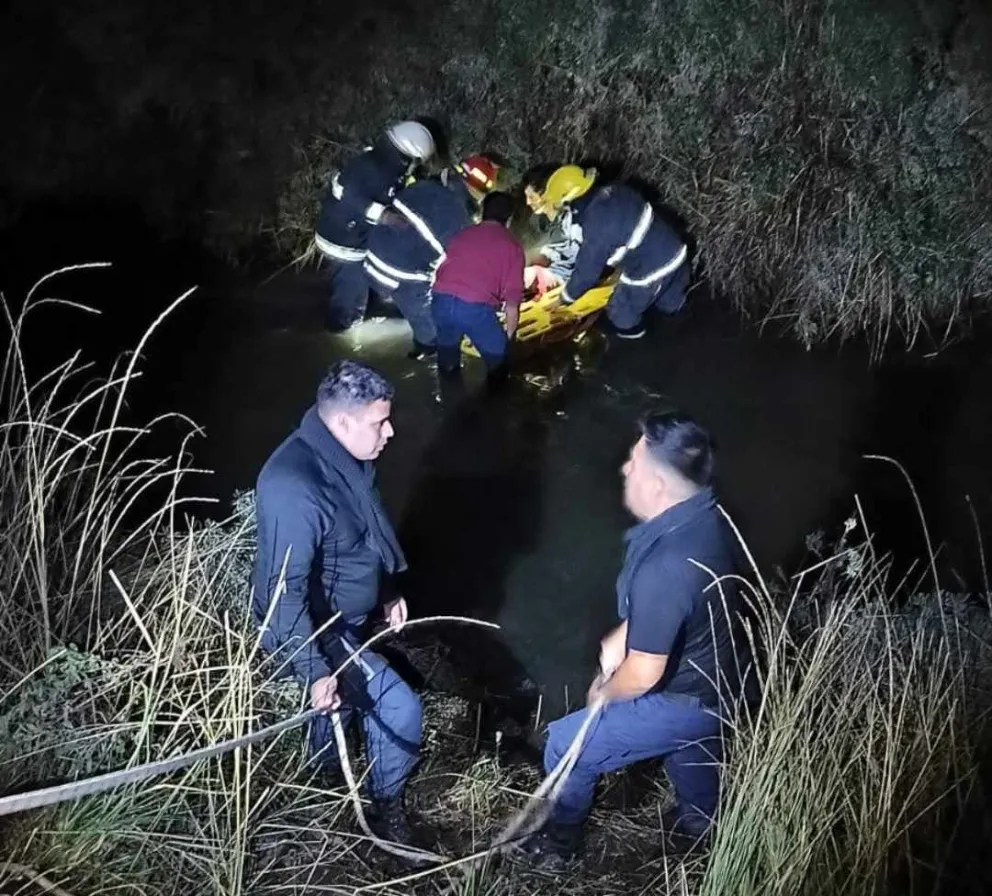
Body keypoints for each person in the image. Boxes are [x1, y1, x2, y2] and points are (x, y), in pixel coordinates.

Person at [521, 411, 753, 864]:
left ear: (658, 486)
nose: (626, 469)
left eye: (634, 461)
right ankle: (704, 833)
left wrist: (604, 693)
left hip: (691, 699)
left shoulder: (666, 565)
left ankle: (560, 843)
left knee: (567, 744)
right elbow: (686, 604)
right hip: (725, 682)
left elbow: (645, 674)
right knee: (693, 755)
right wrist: (624, 634)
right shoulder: (708, 519)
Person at [251, 360, 425, 852]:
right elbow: (281, 593)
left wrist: (386, 590)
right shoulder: (293, 486)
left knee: (340, 708)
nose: (390, 432)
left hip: (348, 616)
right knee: (400, 707)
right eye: (380, 422)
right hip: (313, 627)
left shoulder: (348, 456)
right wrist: (313, 669)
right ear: (343, 422)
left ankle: (324, 768)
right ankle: (383, 805)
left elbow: (365, 532)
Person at [364, 155, 500, 359]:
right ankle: (424, 348)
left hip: (371, 254)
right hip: (400, 275)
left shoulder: (424, 185)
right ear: (479, 193)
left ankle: (378, 308)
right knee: (435, 336)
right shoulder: (458, 217)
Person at [535, 165, 690, 339]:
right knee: (669, 303)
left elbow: (587, 272)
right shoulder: (615, 190)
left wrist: (565, 297)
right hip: (675, 248)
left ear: (569, 201)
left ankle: (643, 350)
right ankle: (686, 334)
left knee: (620, 311)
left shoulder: (596, 222)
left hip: (654, 267)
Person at [315, 121, 436, 331]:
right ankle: (339, 335)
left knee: (360, 286)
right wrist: (384, 216)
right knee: (350, 301)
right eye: (416, 162)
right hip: (344, 242)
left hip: (352, 236)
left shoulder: (385, 164)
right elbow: (343, 189)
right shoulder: (373, 167)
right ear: (409, 155)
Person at [431, 192, 525, 380]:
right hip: (472, 308)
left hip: (440, 300)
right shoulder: (512, 246)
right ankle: (495, 403)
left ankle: (448, 396)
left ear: (483, 211)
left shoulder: (462, 234)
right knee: (499, 364)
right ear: (510, 217)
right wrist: (509, 339)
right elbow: (512, 305)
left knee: (447, 360)